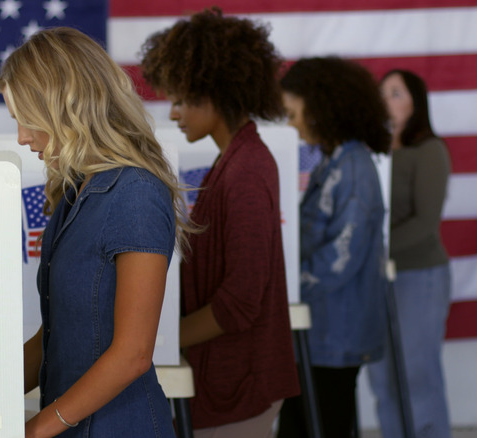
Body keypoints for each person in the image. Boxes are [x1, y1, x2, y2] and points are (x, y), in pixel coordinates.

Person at [0, 27, 194, 438]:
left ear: (65, 105)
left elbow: (133, 354)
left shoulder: (135, 191)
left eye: (28, 120)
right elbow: (54, 335)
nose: (22, 137)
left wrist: (35, 429)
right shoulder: (73, 192)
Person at [140, 8, 299, 438]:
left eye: (179, 98)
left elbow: (241, 301)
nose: (173, 113)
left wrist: (155, 344)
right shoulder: (235, 161)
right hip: (230, 378)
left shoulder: (245, 170)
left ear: (213, 91)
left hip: (240, 382)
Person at [278, 56, 390, 438]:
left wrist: (287, 288)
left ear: (322, 108)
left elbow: (342, 256)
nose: (291, 124)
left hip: (336, 331)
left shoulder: (353, 168)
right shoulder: (333, 162)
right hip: (320, 329)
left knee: (320, 423)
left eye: (294, 113)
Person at [367, 69, 453, 438]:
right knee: (382, 377)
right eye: (383, 92)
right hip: (375, 278)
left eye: (396, 92)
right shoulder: (371, 151)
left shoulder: (429, 151)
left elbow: (425, 224)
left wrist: (371, 252)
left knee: (417, 373)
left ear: (416, 103)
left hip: (418, 276)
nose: (387, 99)